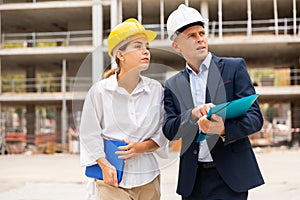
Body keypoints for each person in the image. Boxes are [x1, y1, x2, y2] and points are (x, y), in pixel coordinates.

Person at [163, 4, 264, 200]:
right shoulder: (172, 84)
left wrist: (224, 129)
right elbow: (169, 130)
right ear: (176, 45)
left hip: (230, 177)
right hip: (193, 180)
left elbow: (255, 118)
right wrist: (192, 114)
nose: (200, 38)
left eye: (202, 33)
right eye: (191, 36)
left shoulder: (234, 68)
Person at [79, 18, 168, 200]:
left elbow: (163, 130)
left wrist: (142, 147)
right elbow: (89, 133)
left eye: (147, 47)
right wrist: (104, 165)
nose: (145, 51)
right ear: (120, 54)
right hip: (110, 179)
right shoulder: (100, 91)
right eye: (138, 46)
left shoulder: (156, 90)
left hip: (147, 178)